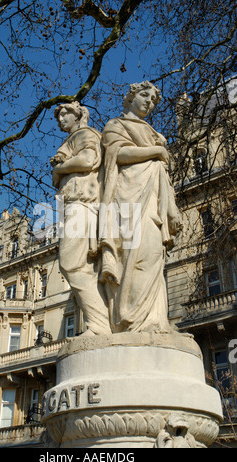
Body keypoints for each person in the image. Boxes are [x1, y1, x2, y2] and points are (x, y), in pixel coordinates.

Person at [100, 82, 182, 333]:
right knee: (135, 259)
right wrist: (156, 151)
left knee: (154, 256)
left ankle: (155, 321)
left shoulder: (152, 131)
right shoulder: (116, 125)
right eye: (145, 96)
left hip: (153, 201)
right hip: (128, 198)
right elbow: (120, 155)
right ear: (130, 97)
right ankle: (130, 320)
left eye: (154, 100)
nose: (150, 102)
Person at [51, 101, 111, 335]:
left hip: (81, 203)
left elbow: (87, 160)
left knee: (71, 263)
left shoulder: (84, 134)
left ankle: (99, 324)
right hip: (71, 204)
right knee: (82, 265)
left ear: (77, 116)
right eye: (59, 117)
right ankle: (99, 322)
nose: (60, 120)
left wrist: (60, 168)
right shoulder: (72, 138)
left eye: (65, 115)